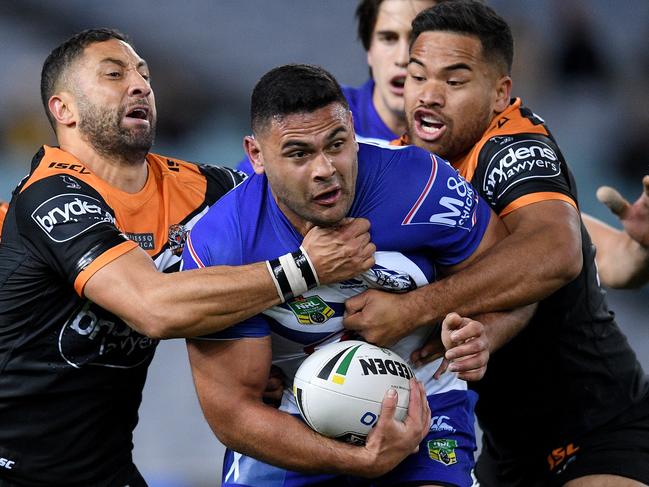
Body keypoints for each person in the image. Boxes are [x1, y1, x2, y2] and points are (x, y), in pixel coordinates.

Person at [0, 29, 376, 487]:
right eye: (114, 75)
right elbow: (153, 307)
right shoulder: (51, 196)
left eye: (144, 75)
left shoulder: (204, 189)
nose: (139, 85)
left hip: (104, 468)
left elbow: (306, 196)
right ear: (64, 109)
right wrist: (305, 267)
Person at [346, 2, 649, 485]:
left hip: (602, 430)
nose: (430, 95)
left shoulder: (512, 145)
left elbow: (557, 252)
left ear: (499, 94)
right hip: (509, 453)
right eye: (419, 77)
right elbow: (599, 257)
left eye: (455, 81)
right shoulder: (404, 169)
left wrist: (411, 311)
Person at [181, 63, 511, 486]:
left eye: (336, 144)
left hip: (423, 406)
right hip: (289, 425)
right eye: (299, 153)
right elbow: (235, 413)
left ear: (352, 130)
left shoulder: (419, 184)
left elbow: (516, 277)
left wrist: (488, 329)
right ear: (256, 155)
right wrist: (360, 461)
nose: (325, 169)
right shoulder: (224, 242)